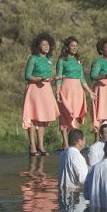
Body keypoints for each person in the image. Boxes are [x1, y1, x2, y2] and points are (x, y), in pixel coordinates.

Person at [22, 32, 60, 177]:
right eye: (43, 45)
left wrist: (54, 79)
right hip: (34, 88)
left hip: (45, 89)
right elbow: (27, 75)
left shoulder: (49, 60)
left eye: (48, 45)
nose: (46, 47)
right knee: (32, 117)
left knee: (43, 118)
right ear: (37, 46)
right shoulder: (33, 58)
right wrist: (37, 79)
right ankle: (32, 144)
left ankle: (41, 145)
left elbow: (48, 76)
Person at [56, 36, 97, 149]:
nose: (74, 48)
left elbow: (82, 78)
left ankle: (76, 142)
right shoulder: (62, 60)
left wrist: (89, 91)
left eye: (76, 46)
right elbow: (59, 76)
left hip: (78, 90)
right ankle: (65, 142)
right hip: (66, 88)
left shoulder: (78, 61)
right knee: (65, 116)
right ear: (67, 47)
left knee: (77, 115)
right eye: (72, 46)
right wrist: (57, 91)